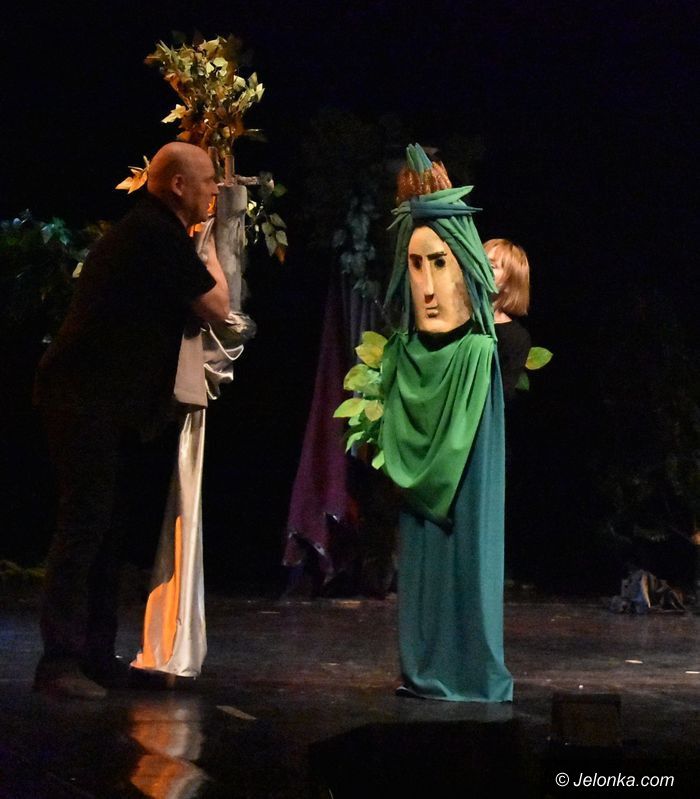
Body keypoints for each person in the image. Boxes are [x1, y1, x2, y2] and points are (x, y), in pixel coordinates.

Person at [32, 141, 230, 699]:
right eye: (207, 181)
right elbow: (217, 307)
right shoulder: (153, 233)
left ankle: (95, 655)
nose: (213, 192)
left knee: (109, 530)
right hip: (81, 399)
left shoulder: (154, 231)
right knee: (85, 526)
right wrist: (215, 245)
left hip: (104, 404)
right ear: (177, 186)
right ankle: (58, 663)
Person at [378, 144, 513, 702]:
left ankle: (469, 669)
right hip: (419, 364)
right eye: (416, 266)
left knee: (467, 549)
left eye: (440, 263)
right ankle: (424, 664)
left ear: (465, 265)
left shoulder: (478, 357)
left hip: (466, 365)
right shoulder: (400, 356)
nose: (428, 288)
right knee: (421, 557)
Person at [483, 238, 531, 403]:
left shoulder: (515, 338)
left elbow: (500, 396)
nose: (482, 268)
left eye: (492, 266)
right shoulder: (452, 317)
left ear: (510, 283)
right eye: (480, 261)